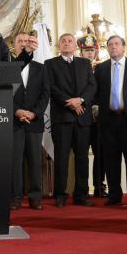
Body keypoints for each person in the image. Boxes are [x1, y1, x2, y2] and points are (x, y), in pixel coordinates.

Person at [45, 33, 97, 207]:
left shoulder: (85, 63)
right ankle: (60, 194)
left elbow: (92, 86)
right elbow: (51, 88)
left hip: (82, 118)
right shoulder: (50, 64)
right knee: (61, 158)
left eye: (70, 41)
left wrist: (80, 100)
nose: (67, 44)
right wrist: (71, 103)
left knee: (82, 158)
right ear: (59, 45)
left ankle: (81, 195)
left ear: (75, 46)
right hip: (62, 118)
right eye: (63, 41)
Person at [94, 35, 127, 206]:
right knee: (111, 160)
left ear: (124, 47)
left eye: (117, 44)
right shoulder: (100, 69)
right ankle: (114, 194)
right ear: (107, 48)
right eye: (110, 45)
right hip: (108, 121)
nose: (113, 47)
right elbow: (96, 94)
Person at [11, 33, 50, 210]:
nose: (24, 44)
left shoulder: (41, 68)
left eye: (27, 41)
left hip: (34, 122)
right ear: (14, 45)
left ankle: (35, 198)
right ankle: (15, 198)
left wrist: (34, 113)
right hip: (14, 122)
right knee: (15, 161)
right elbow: (3, 93)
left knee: (35, 161)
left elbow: (45, 94)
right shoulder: (8, 67)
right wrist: (16, 111)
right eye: (20, 41)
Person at [78, 34, 107, 199]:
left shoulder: (101, 68)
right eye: (86, 51)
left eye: (92, 50)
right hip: (81, 114)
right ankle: (81, 188)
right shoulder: (77, 67)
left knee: (100, 153)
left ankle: (99, 185)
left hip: (99, 118)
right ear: (81, 52)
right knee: (81, 154)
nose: (90, 54)